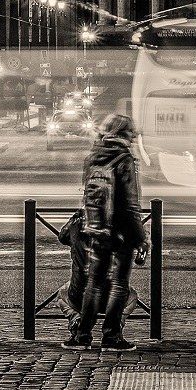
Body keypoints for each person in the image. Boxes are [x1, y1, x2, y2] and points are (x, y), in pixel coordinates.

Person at [64, 113, 149, 352]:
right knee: (119, 284)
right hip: (121, 231)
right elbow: (132, 205)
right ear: (124, 134)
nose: (134, 137)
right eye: (131, 133)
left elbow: (85, 195)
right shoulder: (124, 160)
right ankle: (111, 336)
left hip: (97, 228)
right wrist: (142, 238)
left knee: (94, 282)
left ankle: (82, 335)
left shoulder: (93, 157)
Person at [56, 210, 138, 339]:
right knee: (132, 295)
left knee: (62, 294)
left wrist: (77, 217)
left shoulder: (76, 224)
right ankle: (115, 328)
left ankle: (76, 321)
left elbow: (62, 237)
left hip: (79, 297)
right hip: (110, 299)